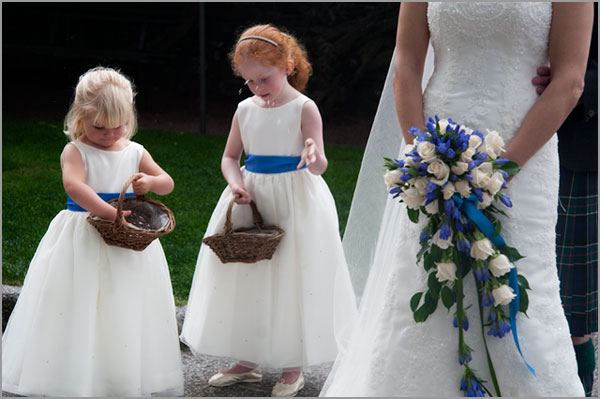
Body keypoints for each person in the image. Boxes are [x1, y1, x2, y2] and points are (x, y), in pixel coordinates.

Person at [321, 3, 593, 396]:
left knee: (524, 279)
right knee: (420, 276)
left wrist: (500, 170)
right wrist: (423, 159)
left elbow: (570, 81)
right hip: (435, 148)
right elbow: (408, 63)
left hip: (524, 152)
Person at [180, 24, 357, 397]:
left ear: (288, 66)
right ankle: (248, 359)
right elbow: (231, 157)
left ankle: (292, 366)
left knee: (292, 275)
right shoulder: (245, 110)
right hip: (253, 195)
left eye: (265, 78)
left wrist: (313, 156)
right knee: (249, 274)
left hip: (296, 200)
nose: (257, 87)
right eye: (250, 81)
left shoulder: (304, 108)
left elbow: (320, 161)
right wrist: (235, 183)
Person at [2, 67, 184, 397]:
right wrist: (108, 212)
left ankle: (117, 372)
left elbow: (167, 183)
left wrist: (151, 183)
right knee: (79, 300)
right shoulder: (76, 151)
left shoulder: (135, 151)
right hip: (85, 235)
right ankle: (72, 372)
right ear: (80, 116)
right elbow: (74, 186)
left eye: (118, 126)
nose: (109, 134)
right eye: (99, 127)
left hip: (128, 242)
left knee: (122, 303)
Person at [533, 5, 598, 395]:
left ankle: (578, 386)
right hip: (491, 130)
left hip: (575, 143)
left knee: (569, 305)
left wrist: (572, 84)